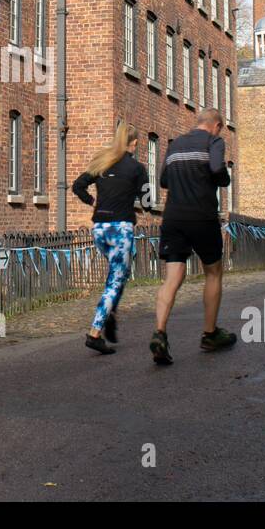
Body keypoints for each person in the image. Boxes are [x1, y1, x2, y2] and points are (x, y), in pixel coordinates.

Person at [151, 108, 235, 365]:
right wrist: (222, 178)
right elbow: (217, 168)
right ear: (217, 126)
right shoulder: (215, 141)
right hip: (202, 216)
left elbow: (164, 180)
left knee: (173, 276)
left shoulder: (175, 144)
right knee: (213, 271)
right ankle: (210, 334)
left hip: (173, 218)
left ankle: (160, 333)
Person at [73, 123, 150, 355]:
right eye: (137, 143)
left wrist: (92, 202)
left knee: (120, 273)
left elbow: (78, 186)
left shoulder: (103, 162)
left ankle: (111, 313)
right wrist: (133, 199)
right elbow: (147, 202)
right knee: (115, 282)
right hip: (121, 229)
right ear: (133, 144)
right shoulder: (137, 168)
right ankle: (95, 333)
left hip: (99, 229)